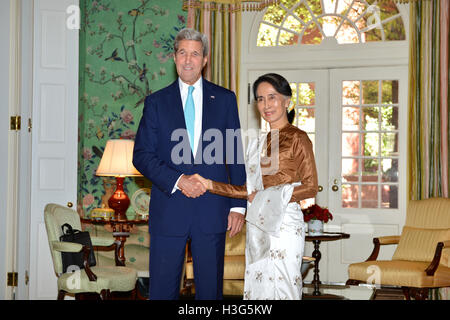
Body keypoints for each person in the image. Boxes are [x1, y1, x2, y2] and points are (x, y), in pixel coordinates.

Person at [132, 28, 246, 300]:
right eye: (182, 52)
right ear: (174, 57)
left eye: (194, 53)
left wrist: (238, 205)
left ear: (205, 59)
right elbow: (142, 155)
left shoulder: (226, 99)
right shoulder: (156, 102)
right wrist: (179, 180)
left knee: (209, 294)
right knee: (161, 292)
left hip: (213, 210)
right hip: (169, 210)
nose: (187, 59)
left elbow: (235, 154)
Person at [193, 73, 318, 300]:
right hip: (257, 224)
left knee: (284, 286)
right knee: (257, 287)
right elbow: (247, 192)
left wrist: (266, 197)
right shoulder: (256, 143)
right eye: (260, 99)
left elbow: (310, 187)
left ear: (287, 100)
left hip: (285, 224)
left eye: (272, 97)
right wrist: (210, 184)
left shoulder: (298, 138)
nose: (266, 105)